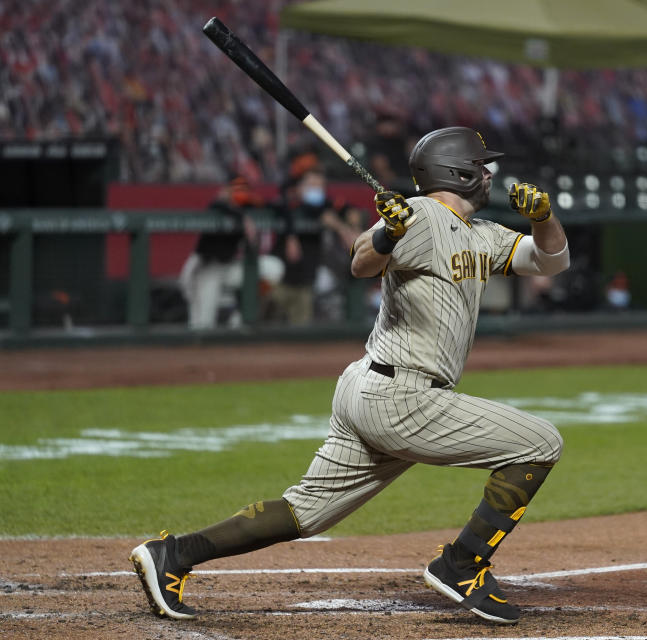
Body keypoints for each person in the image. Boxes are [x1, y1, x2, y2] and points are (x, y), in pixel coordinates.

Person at [130, 126, 570, 625]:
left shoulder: (479, 232)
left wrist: (545, 219)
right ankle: (462, 565)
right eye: (481, 165)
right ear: (461, 171)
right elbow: (362, 260)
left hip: (368, 389)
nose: (489, 173)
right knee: (540, 442)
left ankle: (173, 555)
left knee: (306, 512)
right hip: (403, 397)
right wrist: (387, 233)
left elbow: (550, 260)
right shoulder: (420, 216)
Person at [268, 154, 363, 324]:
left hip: (306, 283)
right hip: (279, 282)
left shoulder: (325, 204)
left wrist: (353, 227)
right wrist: (342, 229)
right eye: (311, 184)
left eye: (319, 185)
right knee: (267, 325)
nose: (315, 189)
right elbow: (311, 210)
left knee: (300, 330)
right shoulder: (287, 204)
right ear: (299, 187)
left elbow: (348, 209)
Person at [179, 177, 260, 329]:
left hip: (227, 267)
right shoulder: (218, 206)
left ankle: (229, 305)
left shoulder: (247, 208)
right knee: (201, 322)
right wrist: (242, 218)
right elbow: (218, 204)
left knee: (273, 269)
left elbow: (272, 206)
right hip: (203, 265)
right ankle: (224, 305)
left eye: (243, 189)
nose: (239, 193)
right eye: (235, 189)